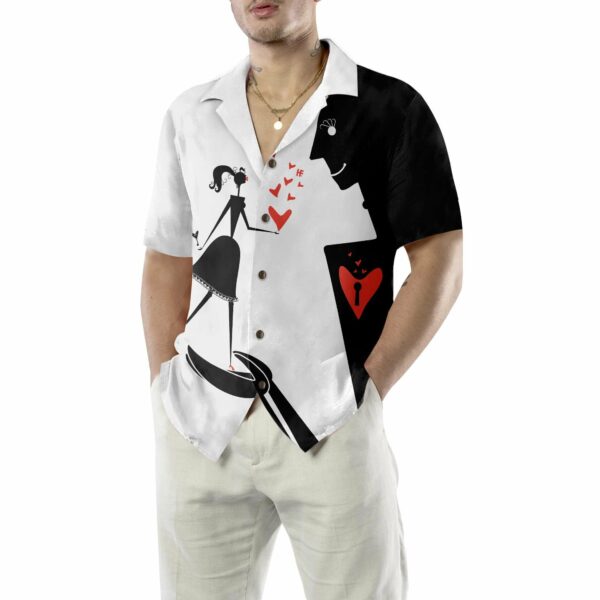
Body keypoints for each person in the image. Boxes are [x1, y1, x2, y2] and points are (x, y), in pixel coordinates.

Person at [140, 1, 463, 598]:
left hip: (331, 421)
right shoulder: (191, 115)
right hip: (201, 427)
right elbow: (167, 256)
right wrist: (165, 382)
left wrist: (370, 387)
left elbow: (440, 255)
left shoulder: (390, 109)